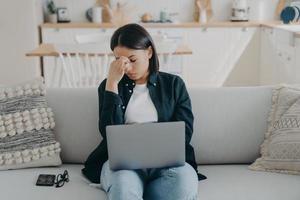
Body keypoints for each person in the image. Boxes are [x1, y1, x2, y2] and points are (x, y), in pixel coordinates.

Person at [82, 23, 206, 200]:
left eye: (132, 60)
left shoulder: (174, 84)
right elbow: (107, 132)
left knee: (183, 186)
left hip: (168, 165)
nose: (127, 68)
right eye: (120, 61)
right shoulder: (109, 86)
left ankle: (141, 190)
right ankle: (136, 189)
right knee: (124, 188)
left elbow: (184, 133)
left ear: (148, 52)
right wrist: (112, 84)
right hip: (124, 166)